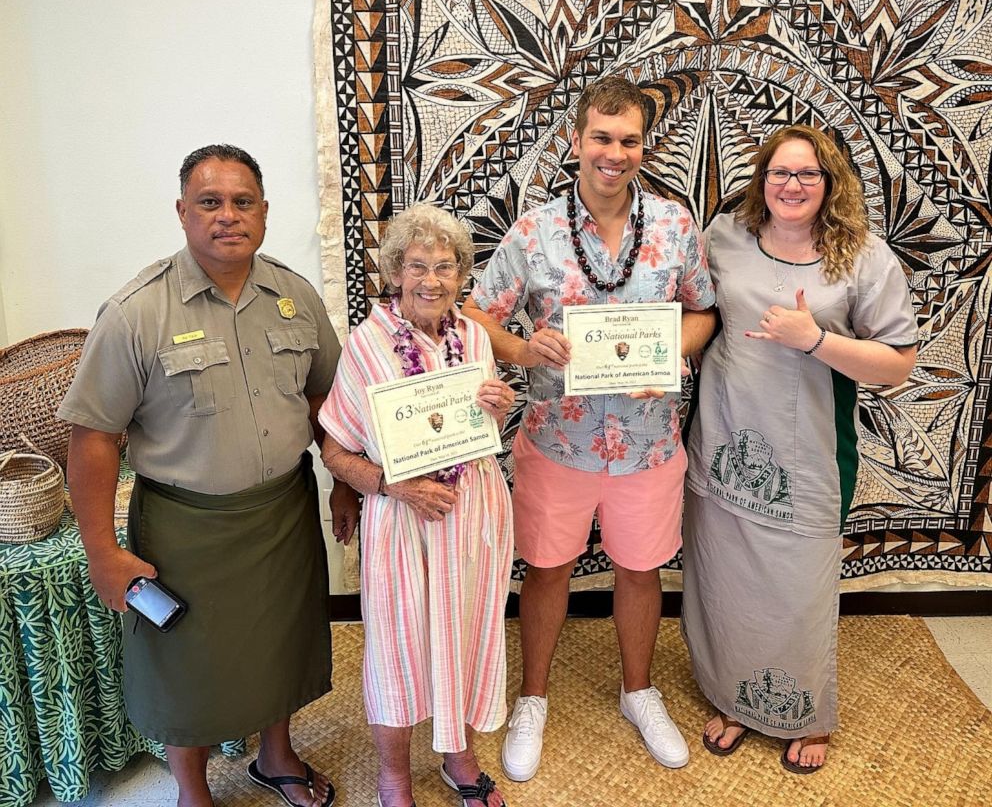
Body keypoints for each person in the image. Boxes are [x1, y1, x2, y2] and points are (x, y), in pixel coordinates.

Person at [58, 145, 340, 807]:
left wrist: (349, 481)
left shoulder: (295, 296)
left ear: (265, 213)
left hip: (282, 512)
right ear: (183, 213)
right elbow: (94, 437)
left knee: (283, 646)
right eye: (209, 203)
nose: (227, 216)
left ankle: (276, 757)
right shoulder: (136, 312)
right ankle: (192, 789)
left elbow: (327, 400)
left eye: (243, 202)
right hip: (186, 527)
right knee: (183, 668)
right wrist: (101, 550)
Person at [463, 75, 717, 780]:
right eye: (601, 138)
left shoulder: (672, 226)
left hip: (648, 437)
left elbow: (704, 310)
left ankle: (640, 690)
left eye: (629, 140)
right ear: (576, 141)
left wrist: (672, 352)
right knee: (547, 569)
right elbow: (476, 313)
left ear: (644, 146)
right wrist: (520, 348)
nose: (614, 152)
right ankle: (533, 697)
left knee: (642, 569)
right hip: (556, 438)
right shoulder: (534, 230)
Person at [681, 125, 918, 773]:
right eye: (780, 173)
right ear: (762, 180)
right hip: (725, 438)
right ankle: (733, 700)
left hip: (807, 453)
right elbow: (695, 313)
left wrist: (814, 339)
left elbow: (898, 362)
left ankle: (805, 716)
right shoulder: (725, 236)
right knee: (723, 580)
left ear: (829, 183)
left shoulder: (863, 257)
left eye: (807, 175)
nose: (791, 185)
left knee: (798, 589)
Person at [318, 203, 515, 807]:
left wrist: (498, 406)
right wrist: (392, 485)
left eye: (446, 266)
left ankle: (458, 757)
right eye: (417, 265)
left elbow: (476, 434)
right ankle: (394, 776)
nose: (432, 280)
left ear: (462, 275)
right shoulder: (366, 345)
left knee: (468, 633)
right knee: (399, 646)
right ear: (395, 273)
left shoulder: (476, 336)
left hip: (473, 515)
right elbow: (333, 450)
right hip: (401, 520)